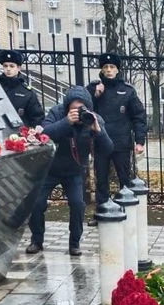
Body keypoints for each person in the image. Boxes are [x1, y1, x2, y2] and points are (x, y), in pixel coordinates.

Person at [27, 86, 113, 256]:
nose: (78, 112)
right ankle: (36, 241)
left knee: (77, 204)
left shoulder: (93, 118)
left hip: (74, 170)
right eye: (74, 109)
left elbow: (108, 148)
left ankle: (74, 243)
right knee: (36, 203)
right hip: (49, 169)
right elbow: (45, 134)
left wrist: (98, 131)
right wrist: (67, 121)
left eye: (81, 108)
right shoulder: (57, 113)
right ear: (67, 107)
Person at [85, 52, 147, 221]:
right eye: (105, 67)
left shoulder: (127, 91)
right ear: (102, 70)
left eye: (112, 67)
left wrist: (140, 141)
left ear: (117, 69)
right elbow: (84, 110)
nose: (109, 70)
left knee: (124, 179)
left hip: (121, 143)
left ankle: (127, 214)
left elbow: (139, 117)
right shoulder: (94, 89)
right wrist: (94, 94)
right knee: (101, 180)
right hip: (100, 142)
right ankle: (102, 213)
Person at [0, 49, 44, 128]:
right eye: (5, 66)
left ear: (18, 68)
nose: (8, 69)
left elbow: (37, 119)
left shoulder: (28, 93)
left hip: (19, 135)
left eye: (12, 66)